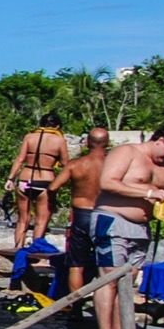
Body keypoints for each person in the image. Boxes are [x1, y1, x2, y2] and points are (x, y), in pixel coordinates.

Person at [90, 125, 164, 329]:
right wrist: (148, 192)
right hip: (113, 219)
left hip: (141, 229)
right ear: (160, 140)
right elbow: (107, 182)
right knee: (110, 277)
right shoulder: (127, 152)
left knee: (128, 282)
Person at [49, 125, 113, 293]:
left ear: (87, 143)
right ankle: (103, 305)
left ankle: (75, 308)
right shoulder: (113, 166)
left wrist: (53, 203)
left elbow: (53, 187)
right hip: (105, 215)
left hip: (81, 215)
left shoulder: (76, 164)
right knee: (105, 264)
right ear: (107, 143)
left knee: (77, 265)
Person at [6, 112, 70, 251]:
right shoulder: (59, 140)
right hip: (45, 182)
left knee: (22, 220)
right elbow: (66, 164)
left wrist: (10, 178)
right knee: (41, 222)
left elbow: (20, 159)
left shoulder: (29, 137)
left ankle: (18, 250)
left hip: (25, 180)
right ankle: (36, 252)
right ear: (57, 126)